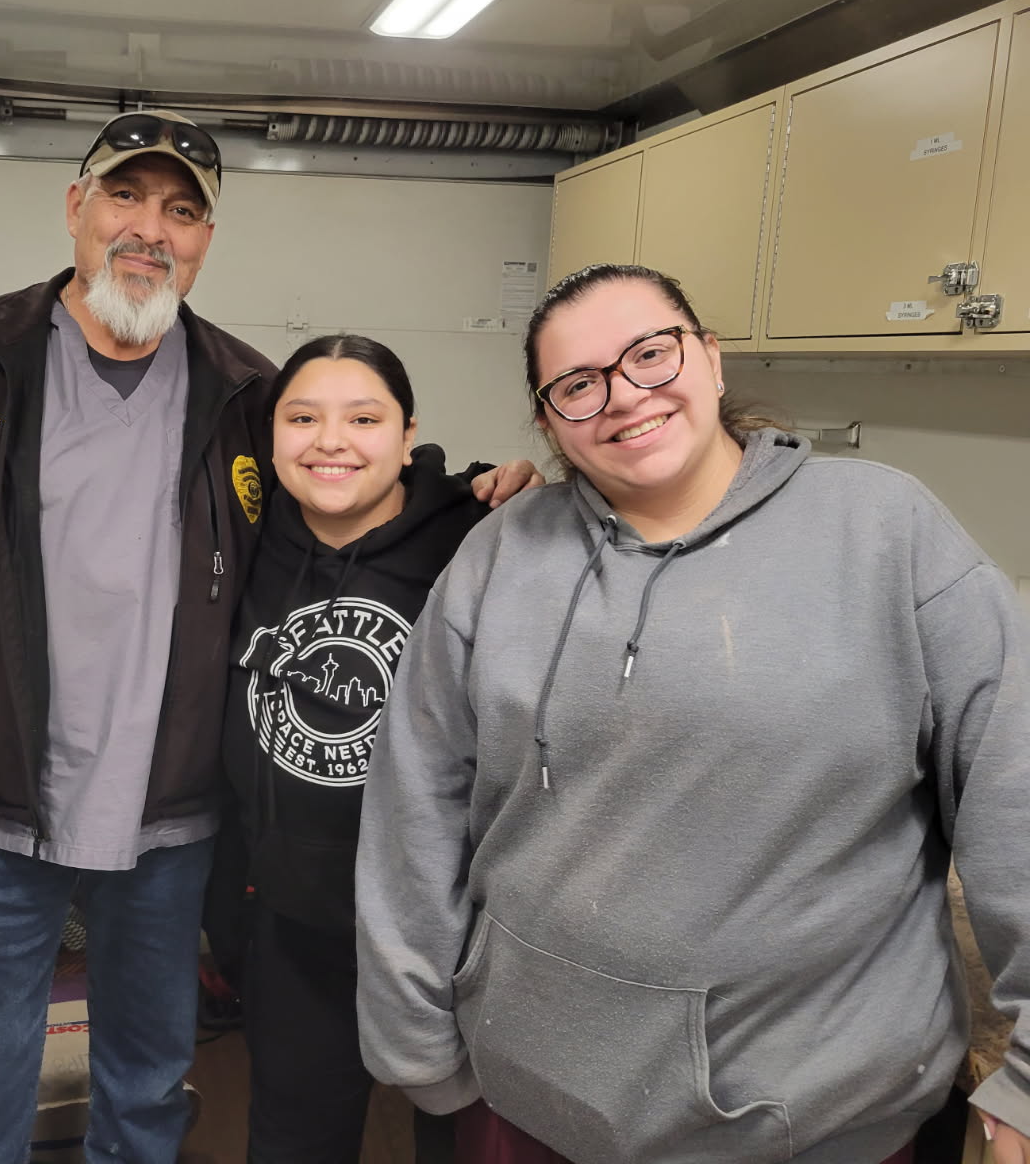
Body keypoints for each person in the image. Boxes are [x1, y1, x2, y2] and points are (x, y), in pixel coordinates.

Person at [0, 111, 541, 1163]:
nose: (150, 227)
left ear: (206, 240)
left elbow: (338, 497)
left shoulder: (241, 391)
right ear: (76, 207)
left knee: (147, 1080)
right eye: (125, 196)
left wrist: (473, 493)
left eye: (181, 210)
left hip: (174, 821)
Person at [353, 262, 1030, 1164]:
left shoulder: (885, 531)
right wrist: (413, 1040)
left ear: (709, 357)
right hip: (527, 1094)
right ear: (550, 421)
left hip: (811, 1122)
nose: (624, 396)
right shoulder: (501, 553)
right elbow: (417, 802)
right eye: (578, 384)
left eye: (650, 354)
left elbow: (1014, 794)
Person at [219, 334, 539, 1163]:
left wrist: (533, 493)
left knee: (460, 1139)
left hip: (450, 926)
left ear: (407, 436)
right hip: (293, 917)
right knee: (293, 1139)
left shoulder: (481, 537)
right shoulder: (243, 536)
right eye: (302, 418)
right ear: (271, 438)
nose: (331, 441)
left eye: (364, 419)